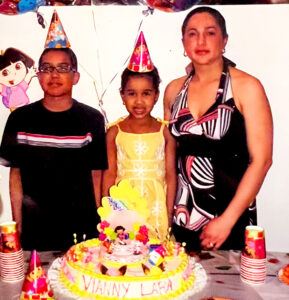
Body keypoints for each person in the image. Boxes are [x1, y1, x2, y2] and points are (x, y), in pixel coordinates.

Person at [164, 6, 273, 251]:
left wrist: (227, 220)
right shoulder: (173, 91)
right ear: (183, 42)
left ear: (224, 40)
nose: (200, 40)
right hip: (183, 211)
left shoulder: (246, 87)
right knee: (184, 285)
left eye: (210, 33)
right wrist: (166, 213)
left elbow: (262, 160)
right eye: (192, 33)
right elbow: (169, 157)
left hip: (231, 209)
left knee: (229, 287)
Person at [0, 48, 108, 250]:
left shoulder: (92, 119)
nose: (55, 74)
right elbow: (15, 175)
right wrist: (17, 227)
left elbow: (97, 175)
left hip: (81, 229)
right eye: (47, 68)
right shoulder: (20, 119)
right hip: (36, 230)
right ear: (39, 75)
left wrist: (100, 225)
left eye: (63, 68)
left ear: (75, 77)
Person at [102, 67, 176, 241]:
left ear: (156, 95)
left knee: (155, 256)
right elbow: (109, 174)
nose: (139, 101)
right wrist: (107, 212)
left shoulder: (164, 132)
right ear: (122, 96)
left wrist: (169, 211)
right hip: (125, 205)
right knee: (125, 252)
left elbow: (171, 176)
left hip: (156, 205)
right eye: (131, 93)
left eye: (146, 93)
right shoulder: (114, 131)